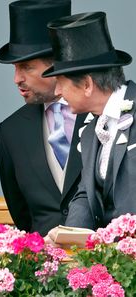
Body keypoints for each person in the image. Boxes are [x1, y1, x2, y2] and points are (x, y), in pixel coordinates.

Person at [42, 11, 136, 243]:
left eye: (60, 84)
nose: (56, 93)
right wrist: (67, 239)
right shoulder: (91, 130)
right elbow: (86, 193)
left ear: (86, 84)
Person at [0, 0, 87, 236]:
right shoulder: (11, 131)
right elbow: (21, 214)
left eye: (26, 67)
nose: (17, 79)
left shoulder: (100, 114)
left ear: (57, 64)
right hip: (44, 267)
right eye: (14, 68)